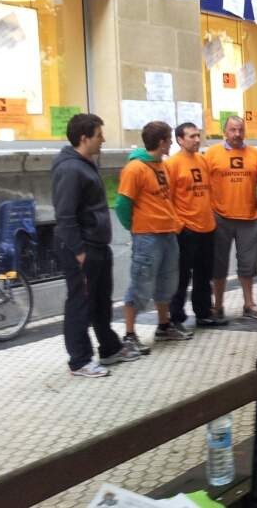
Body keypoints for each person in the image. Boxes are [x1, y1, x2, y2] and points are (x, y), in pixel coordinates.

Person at [52, 114, 140, 377]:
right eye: (99, 135)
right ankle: (79, 360)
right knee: (80, 303)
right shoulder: (70, 169)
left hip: (98, 244)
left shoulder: (86, 163)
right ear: (84, 138)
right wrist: (79, 251)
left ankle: (109, 348)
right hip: (81, 247)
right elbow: (65, 215)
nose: (103, 139)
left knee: (101, 300)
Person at [115, 121, 191, 354]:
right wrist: (136, 227)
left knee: (167, 282)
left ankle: (163, 325)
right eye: (169, 139)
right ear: (162, 142)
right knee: (141, 283)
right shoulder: (135, 169)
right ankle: (129, 335)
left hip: (167, 233)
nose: (172, 143)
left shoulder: (162, 166)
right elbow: (122, 204)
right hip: (147, 236)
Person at [204, 116, 257, 319]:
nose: (237, 134)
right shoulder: (211, 153)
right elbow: (203, 185)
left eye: (240, 130)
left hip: (249, 220)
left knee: (248, 264)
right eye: (232, 130)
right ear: (225, 132)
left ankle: (249, 304)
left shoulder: (255, 154)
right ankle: (218, 306)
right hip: (220, 218)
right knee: (218, 264)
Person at [166, 123, 227, 329]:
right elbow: (167, 199)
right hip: (186, 229)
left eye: (198, 135)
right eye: (191, 136)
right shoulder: (172, 164)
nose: (197, 140)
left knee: (204, 275)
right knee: (182, 276)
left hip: (207, 226)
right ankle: (176, 317)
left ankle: (203, 313)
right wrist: (179, 225)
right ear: (180, 140)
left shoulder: (202, 160)